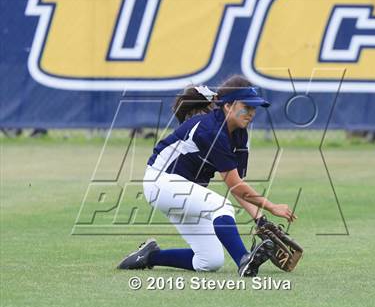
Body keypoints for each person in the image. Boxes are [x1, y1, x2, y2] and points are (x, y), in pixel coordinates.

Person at [118, 75, 296, 277]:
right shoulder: (209, 129)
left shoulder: (239, 134)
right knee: (221, 207)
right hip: (160, 182)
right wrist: (271, 206)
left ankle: (149, 257)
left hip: (182, 190)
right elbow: (235, 185)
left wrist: (260, 219)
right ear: (228, 106)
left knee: (210, 260)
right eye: (246, 107)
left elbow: (237, 185)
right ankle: (244, 260)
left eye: (254, 108)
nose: (251, 113)